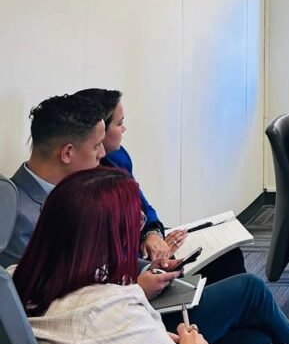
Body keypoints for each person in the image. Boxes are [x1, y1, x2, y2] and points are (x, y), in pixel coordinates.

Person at [11, 167, 289, 344]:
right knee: (250, 322)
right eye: (135, 226)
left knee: (251, 338)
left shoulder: (16, 279)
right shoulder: (115, 312)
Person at [75, 88, 247, 284]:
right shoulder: (80, 188)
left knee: (228, 256)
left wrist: (152, 234)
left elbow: (144, 208)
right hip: (130, 272)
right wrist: (148, 259)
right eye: (120, 123)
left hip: (146, 253)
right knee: (246, 285)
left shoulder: (117, 158)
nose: (124, 129)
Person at [1, 94, 107, 267]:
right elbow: (39, 283)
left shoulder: (77, 193)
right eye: (97, 146)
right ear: (67, 153)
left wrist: (146, 268)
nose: (102, 153)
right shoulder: (18, 218)